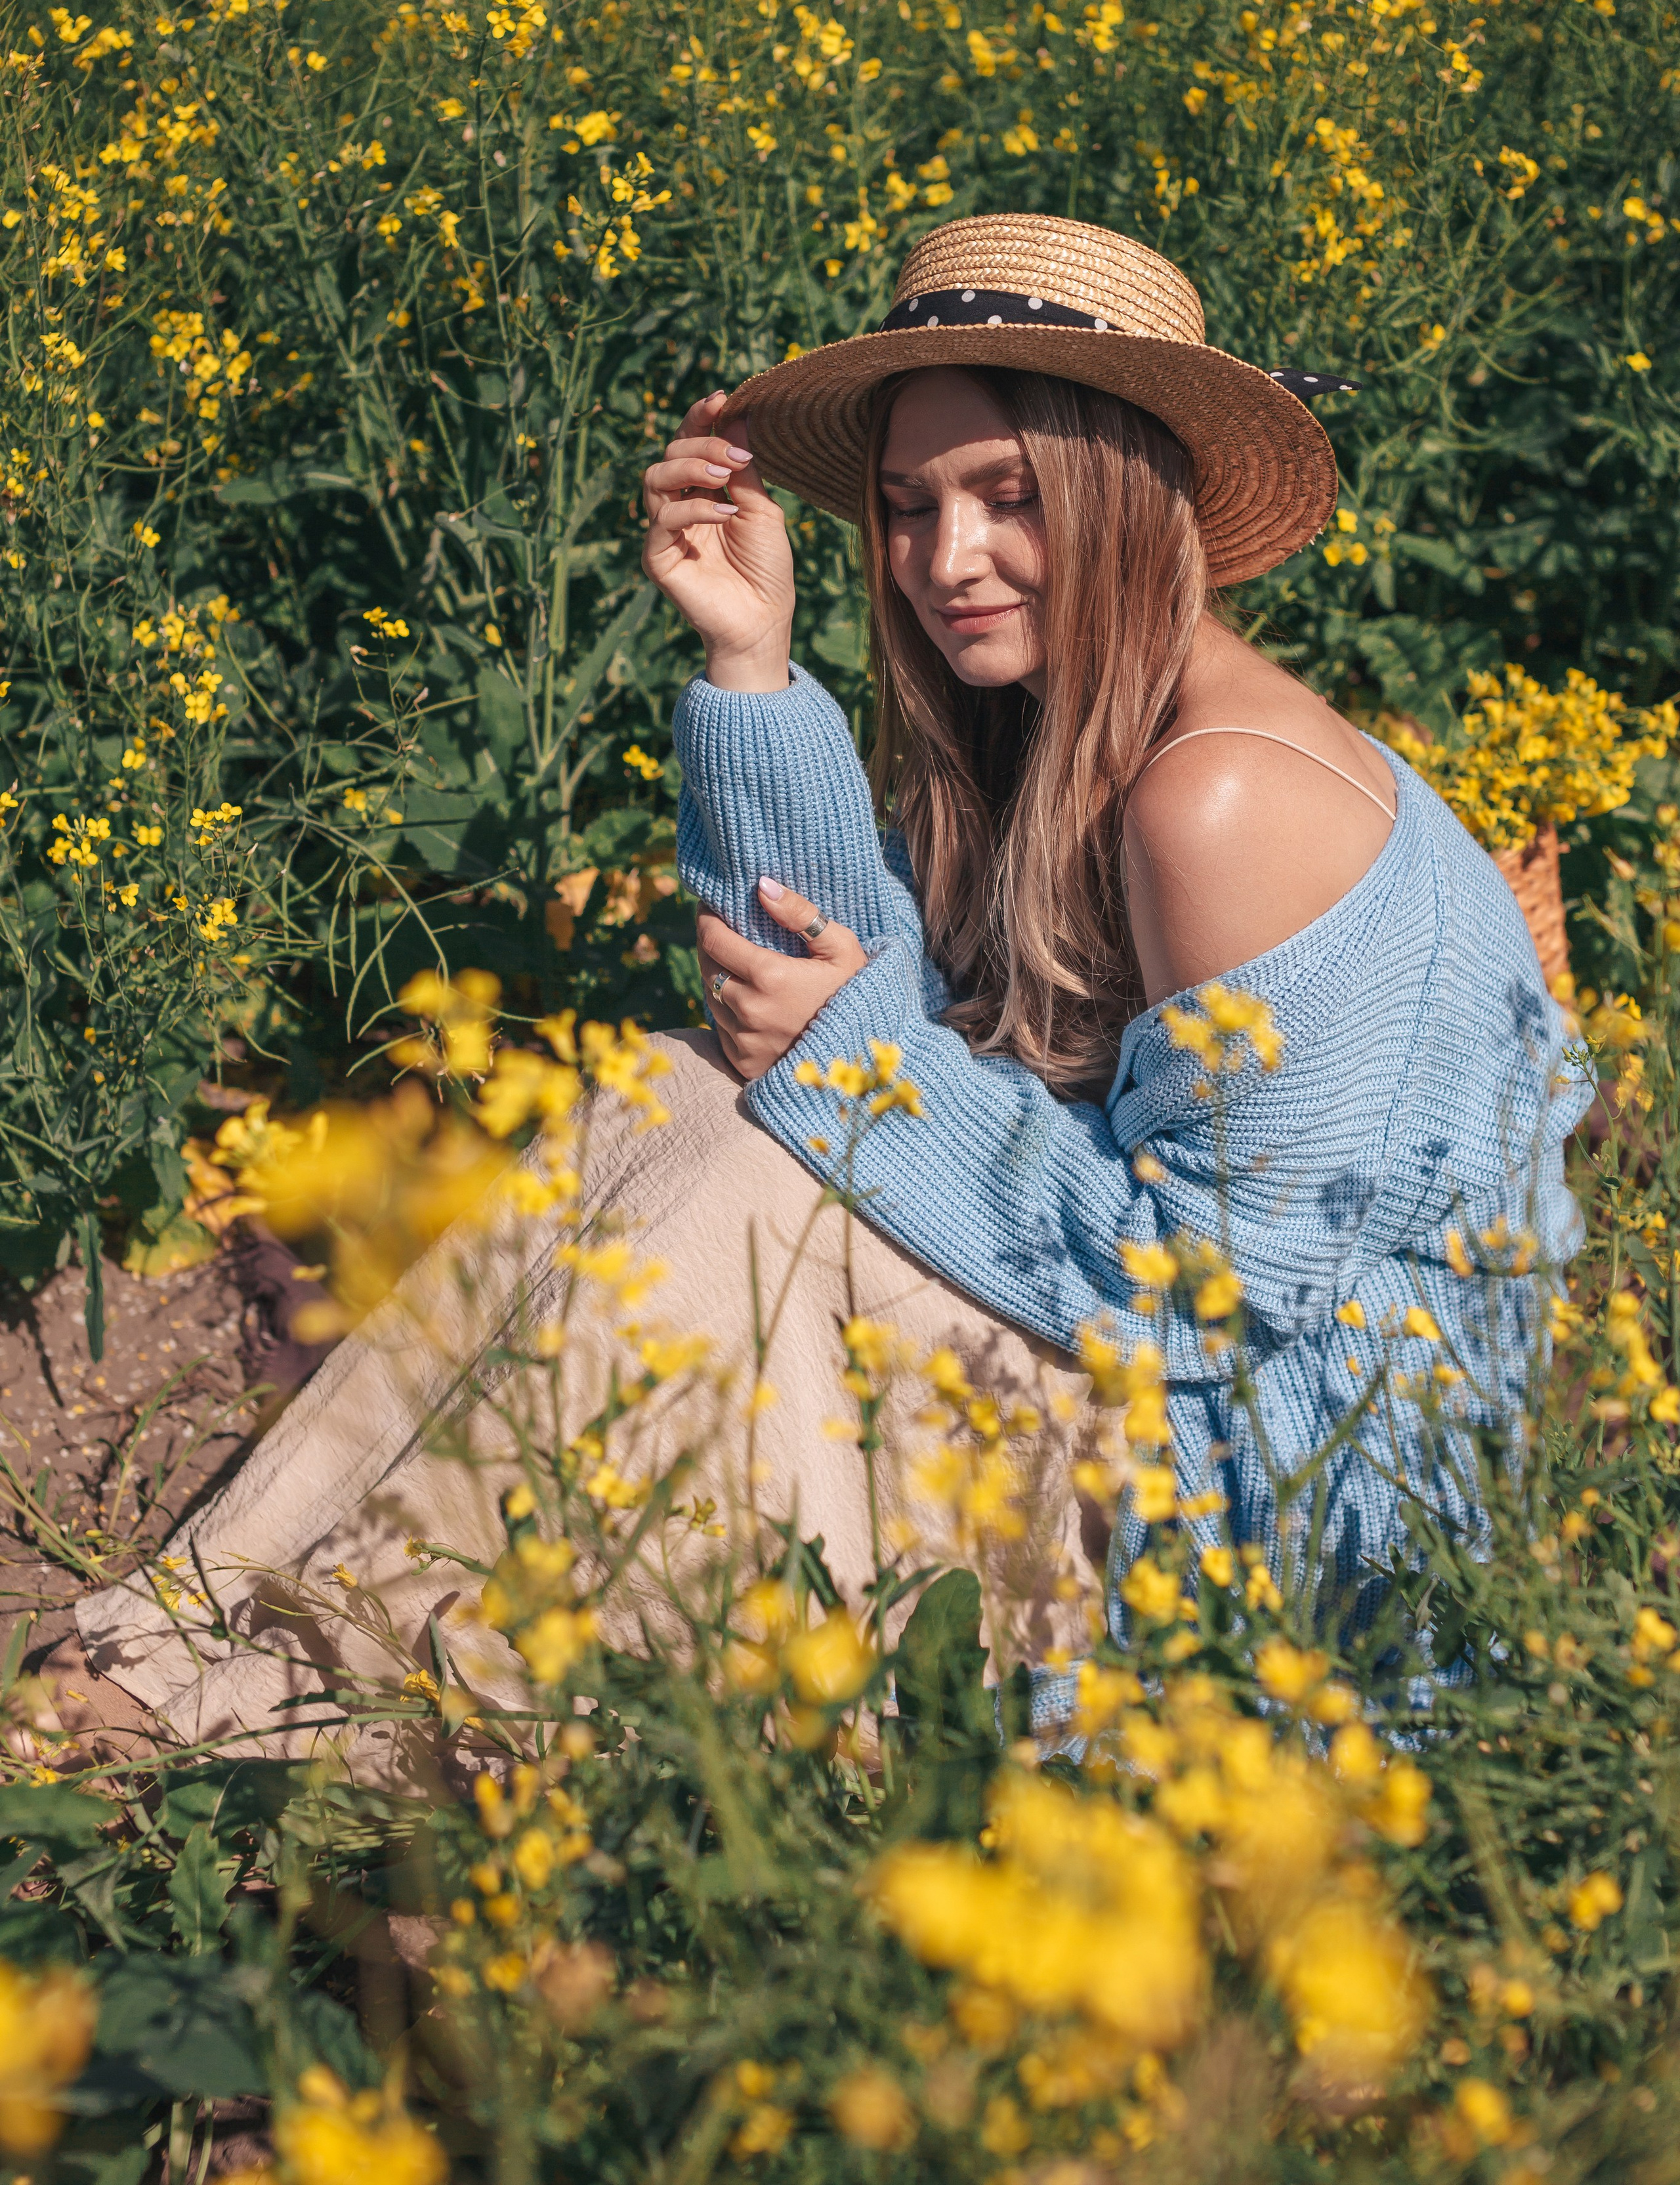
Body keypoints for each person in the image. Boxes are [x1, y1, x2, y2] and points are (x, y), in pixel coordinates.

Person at [54, 214, 1584, 1765]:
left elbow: (1216, 1299)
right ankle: (218, 1621)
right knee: (679, 1089)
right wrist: (749, 659)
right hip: (1138, 1374)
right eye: (909, 506)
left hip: (1278, 1520)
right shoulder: (1055, 732)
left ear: (1126, 496)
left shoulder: (1221, 801)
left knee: (750, 1177)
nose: (945, 559)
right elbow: (810, 989)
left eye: (1009, 497)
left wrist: (855, 1070)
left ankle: (320, 1692)